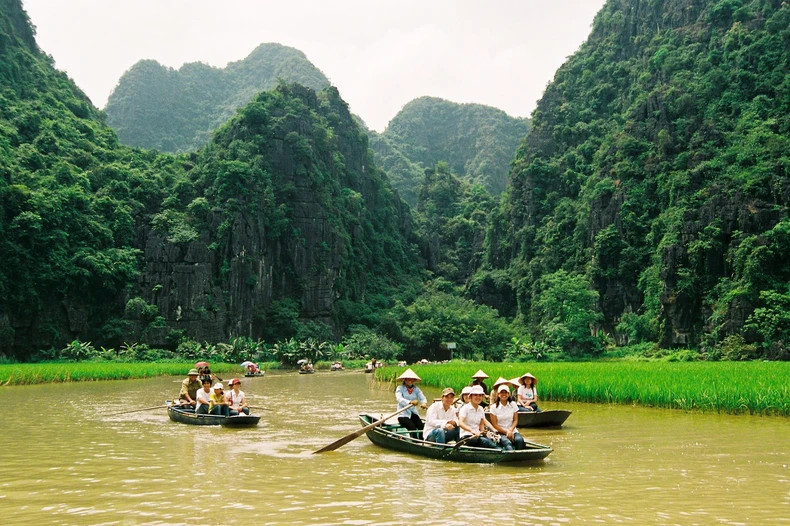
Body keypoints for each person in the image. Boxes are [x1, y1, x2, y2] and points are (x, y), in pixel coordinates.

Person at [457, 385, 500, 449]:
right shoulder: (464, 408)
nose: (478, 397)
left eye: (480, 395)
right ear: (471, 396)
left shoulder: (481, 409)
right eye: (475, 395)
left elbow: (481, 423)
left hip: (477, 435)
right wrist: (472, 431)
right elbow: (460, 423)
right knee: (486, 442)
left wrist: (485, 432)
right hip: (467, 436)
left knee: (494, 441)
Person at [489, 384, 526, 450]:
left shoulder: (513, 404)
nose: (504, 394)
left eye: (505, 392)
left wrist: (510, 430)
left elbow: (515, 420)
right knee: (508, 444)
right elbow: (495, 425)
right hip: (500, 432)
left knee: (520, 441)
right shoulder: (493, 407)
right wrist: (506, 432)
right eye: (502, 392)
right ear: (498, 394)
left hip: (512, 431)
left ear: (508, 394)